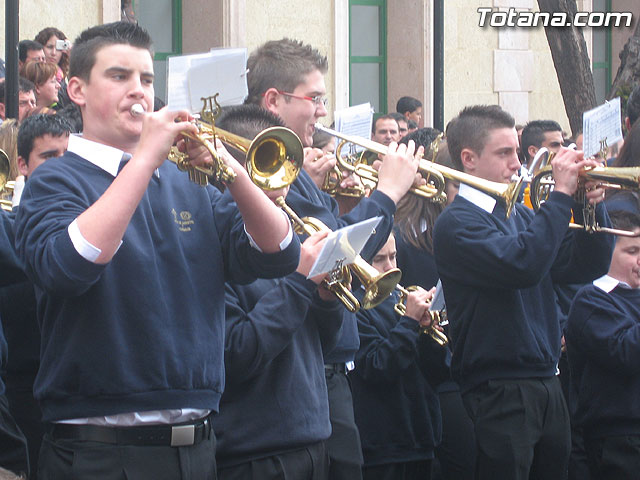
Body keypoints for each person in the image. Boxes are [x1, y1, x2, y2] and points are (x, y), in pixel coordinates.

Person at [14, 21, 300, 480]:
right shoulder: (55, 180)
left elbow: (280, 253)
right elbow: (68, 266)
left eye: (146, 80)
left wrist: (233, 172)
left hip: (197, 447)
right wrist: (146, 157)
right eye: (119, 76)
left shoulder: (189, 183)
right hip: (98, 452)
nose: (138, 92)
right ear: (76, 90)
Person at [246, 38, 422, 480]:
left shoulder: (297, 171)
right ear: (274, 100)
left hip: (323, 369)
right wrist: (387, 193)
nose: (323, 112)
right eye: (315, 99)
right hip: (301, 374)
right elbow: (333, 251)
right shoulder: (261, 170)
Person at [433, 104, 614, 480]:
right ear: (468, 159)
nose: (517, 163)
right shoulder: (457, 223)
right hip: (499, 389)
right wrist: (562, 196)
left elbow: (584, 266)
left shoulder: (520, 213)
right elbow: (524, 265)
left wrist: (587, 206)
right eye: (504, 153)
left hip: (546, 379)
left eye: (516, 151)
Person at [212, 105, 343, 480]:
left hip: (312, 437)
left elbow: (324, 345)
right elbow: (237, 353)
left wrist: (327, 298)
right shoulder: (218, 234)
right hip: (252, 451)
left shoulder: (294, 226)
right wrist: (301, 282)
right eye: (270, 159)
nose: (284, 178)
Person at [351, 232, 450, 480]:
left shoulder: (402, 300)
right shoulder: (354, 308)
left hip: (422, 439)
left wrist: (429, 335)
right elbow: (378, 367)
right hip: (383, 447)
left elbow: (439, 374)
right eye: (379, 259)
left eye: (394, 257)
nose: (390, 267)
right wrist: (408, 323)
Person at [566, 210, 640, 480]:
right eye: (632, 251)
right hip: (619, 438)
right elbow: (626, 352)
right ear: (607, 251)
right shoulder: (591, 299)